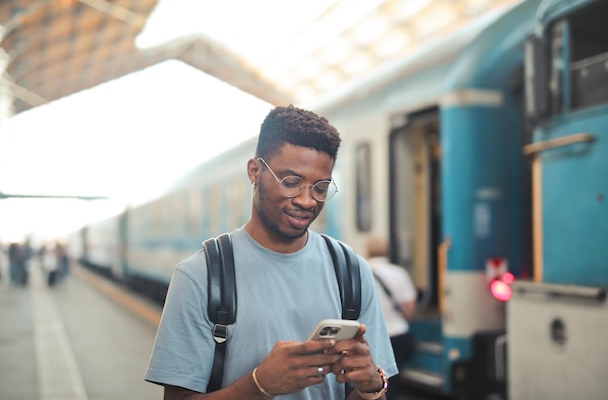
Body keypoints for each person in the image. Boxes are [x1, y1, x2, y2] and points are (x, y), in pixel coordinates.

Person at [145, 105, 397, 400]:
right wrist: (260, 385)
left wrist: (371, 387)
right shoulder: (201, 276)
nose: (307, 200)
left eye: (321, 187)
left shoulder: (351, 270)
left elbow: (369, 395)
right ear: (255, 171)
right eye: (291, 182)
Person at [365, 237, 417, 400]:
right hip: (397, 334)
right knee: (392, 383)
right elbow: (410, 307)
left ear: (368, 251)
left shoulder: (361, 270)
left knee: (373, 383)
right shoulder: (398, 273)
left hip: (371, 338)